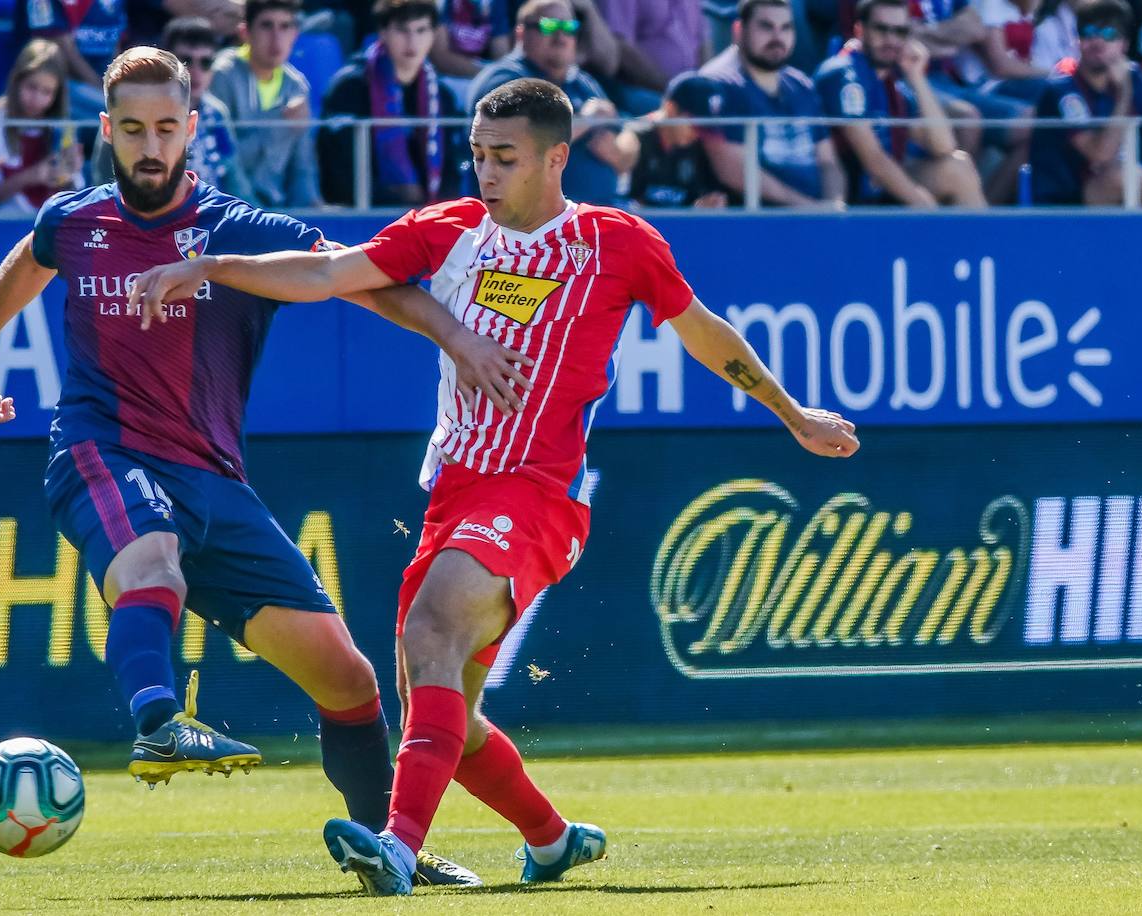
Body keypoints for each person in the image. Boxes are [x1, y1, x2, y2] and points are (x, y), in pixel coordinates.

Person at [126, 76, 861, 896]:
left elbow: (701, 330)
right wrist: (213, 266)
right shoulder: (448, 230)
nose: (485, 171)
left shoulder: (615, 241)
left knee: (432, 628)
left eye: (504, 157)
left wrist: (792, 413)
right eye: (477, 153)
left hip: (539, 495)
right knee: (445, 706)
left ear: (556, 159)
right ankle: (553, 841)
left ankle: (398, 846)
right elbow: (329, 272)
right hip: (455, 492)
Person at [0, 45, 522, 889]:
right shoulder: (74, 219)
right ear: (107, 129)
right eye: (134, 129)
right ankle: (159, 721)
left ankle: (390, 852)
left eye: (166, 128)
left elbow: (358, 278)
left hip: (215, 482)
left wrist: (459, 335)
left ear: (192, 128)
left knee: (349, 678)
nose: (151, 146)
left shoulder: (240, 232)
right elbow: (33, 256)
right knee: (152, 563)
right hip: (102, 452)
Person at [815, 0, 987, 206]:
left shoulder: (892, 85)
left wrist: (917, 77)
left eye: (900, 32)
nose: (891, 39)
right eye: (881, 29)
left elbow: (943, 146)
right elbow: (874, 161)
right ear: (860, 30)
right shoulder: (844, 74)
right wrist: (926, 206)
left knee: (958, 166)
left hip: (882, 189)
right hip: (849, 197)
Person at [1030, 0, 1142, 204]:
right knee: (1121, 176)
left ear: (1125, 44)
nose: (1097, 42)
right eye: (1088, 32)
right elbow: (1100, 155)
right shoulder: (1062, 88)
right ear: (1077, 40)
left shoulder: (1134, 76)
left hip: (1106, 196)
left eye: (1109, 34)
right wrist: (1124, 94)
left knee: (1132, 174)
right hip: (1063, 202)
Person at [470, 0, 638, 202]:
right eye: (549, 26)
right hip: (524, 215)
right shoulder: (505, 80)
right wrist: (586, 120)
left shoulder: (582, 82)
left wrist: (620, 153)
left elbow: (627, 133)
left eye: (568, 27)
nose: (561, 37)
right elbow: (521, 144)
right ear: (521, 33)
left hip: (596, 213)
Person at [691, 0, 846, 208]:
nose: (777, 37)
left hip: (814, 215)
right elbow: (733, 171)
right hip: (754, 219)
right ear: (739, 30)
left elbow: (828, 163)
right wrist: (808, 208)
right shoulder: (715, 85)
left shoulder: (802, 85)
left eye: (786, 27)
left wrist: (834, 205)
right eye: (766, 26)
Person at [317, 0, 468, 206]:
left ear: (433, 34)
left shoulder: (442, 96)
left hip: (429, 211)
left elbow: (451, 171)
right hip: (366, 212)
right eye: (402, 30)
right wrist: (398, 201)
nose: (412, 41)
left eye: (421, 30)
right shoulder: (349, 88)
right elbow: (339, 171)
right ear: (383, 32)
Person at [92, 17, 252, 201]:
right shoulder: (130, 111)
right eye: (186, 61)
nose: (196, 72)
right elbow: (103, 176)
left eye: (206, 62)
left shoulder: (217, 112)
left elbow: (234, 176)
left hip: (209, 212)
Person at [210, 0, 323, 208]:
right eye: (266, 26)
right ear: (245, 32)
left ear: (295, 34)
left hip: (276, 209)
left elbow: (302, 165)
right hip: (228, 208)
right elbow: (224, 160)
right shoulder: (221, 75)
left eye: (285, 26)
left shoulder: (297, 86)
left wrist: (313, 207)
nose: (276, 37)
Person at [0, 39, 85, 214]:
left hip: (51, 224)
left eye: (47, 92)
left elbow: (74, 199)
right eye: (31, 87)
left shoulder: (63, 128)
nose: (37, 99)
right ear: (17, 81)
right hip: (4, 222)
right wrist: (30, 177)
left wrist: (69, 174)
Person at [626, 74, 729, 208]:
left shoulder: (699, 146)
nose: (699, 134)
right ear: (671, 108)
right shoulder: (633, 138)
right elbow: (622, 204)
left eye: (706, 128)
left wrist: (702, 207)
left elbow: (699, 200)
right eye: (696, 125)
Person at [15, 0, 126, 122]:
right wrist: (101, 87)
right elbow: (61, 45)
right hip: (62, 83)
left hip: (102, 85)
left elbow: (115, 43)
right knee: (118, 111)